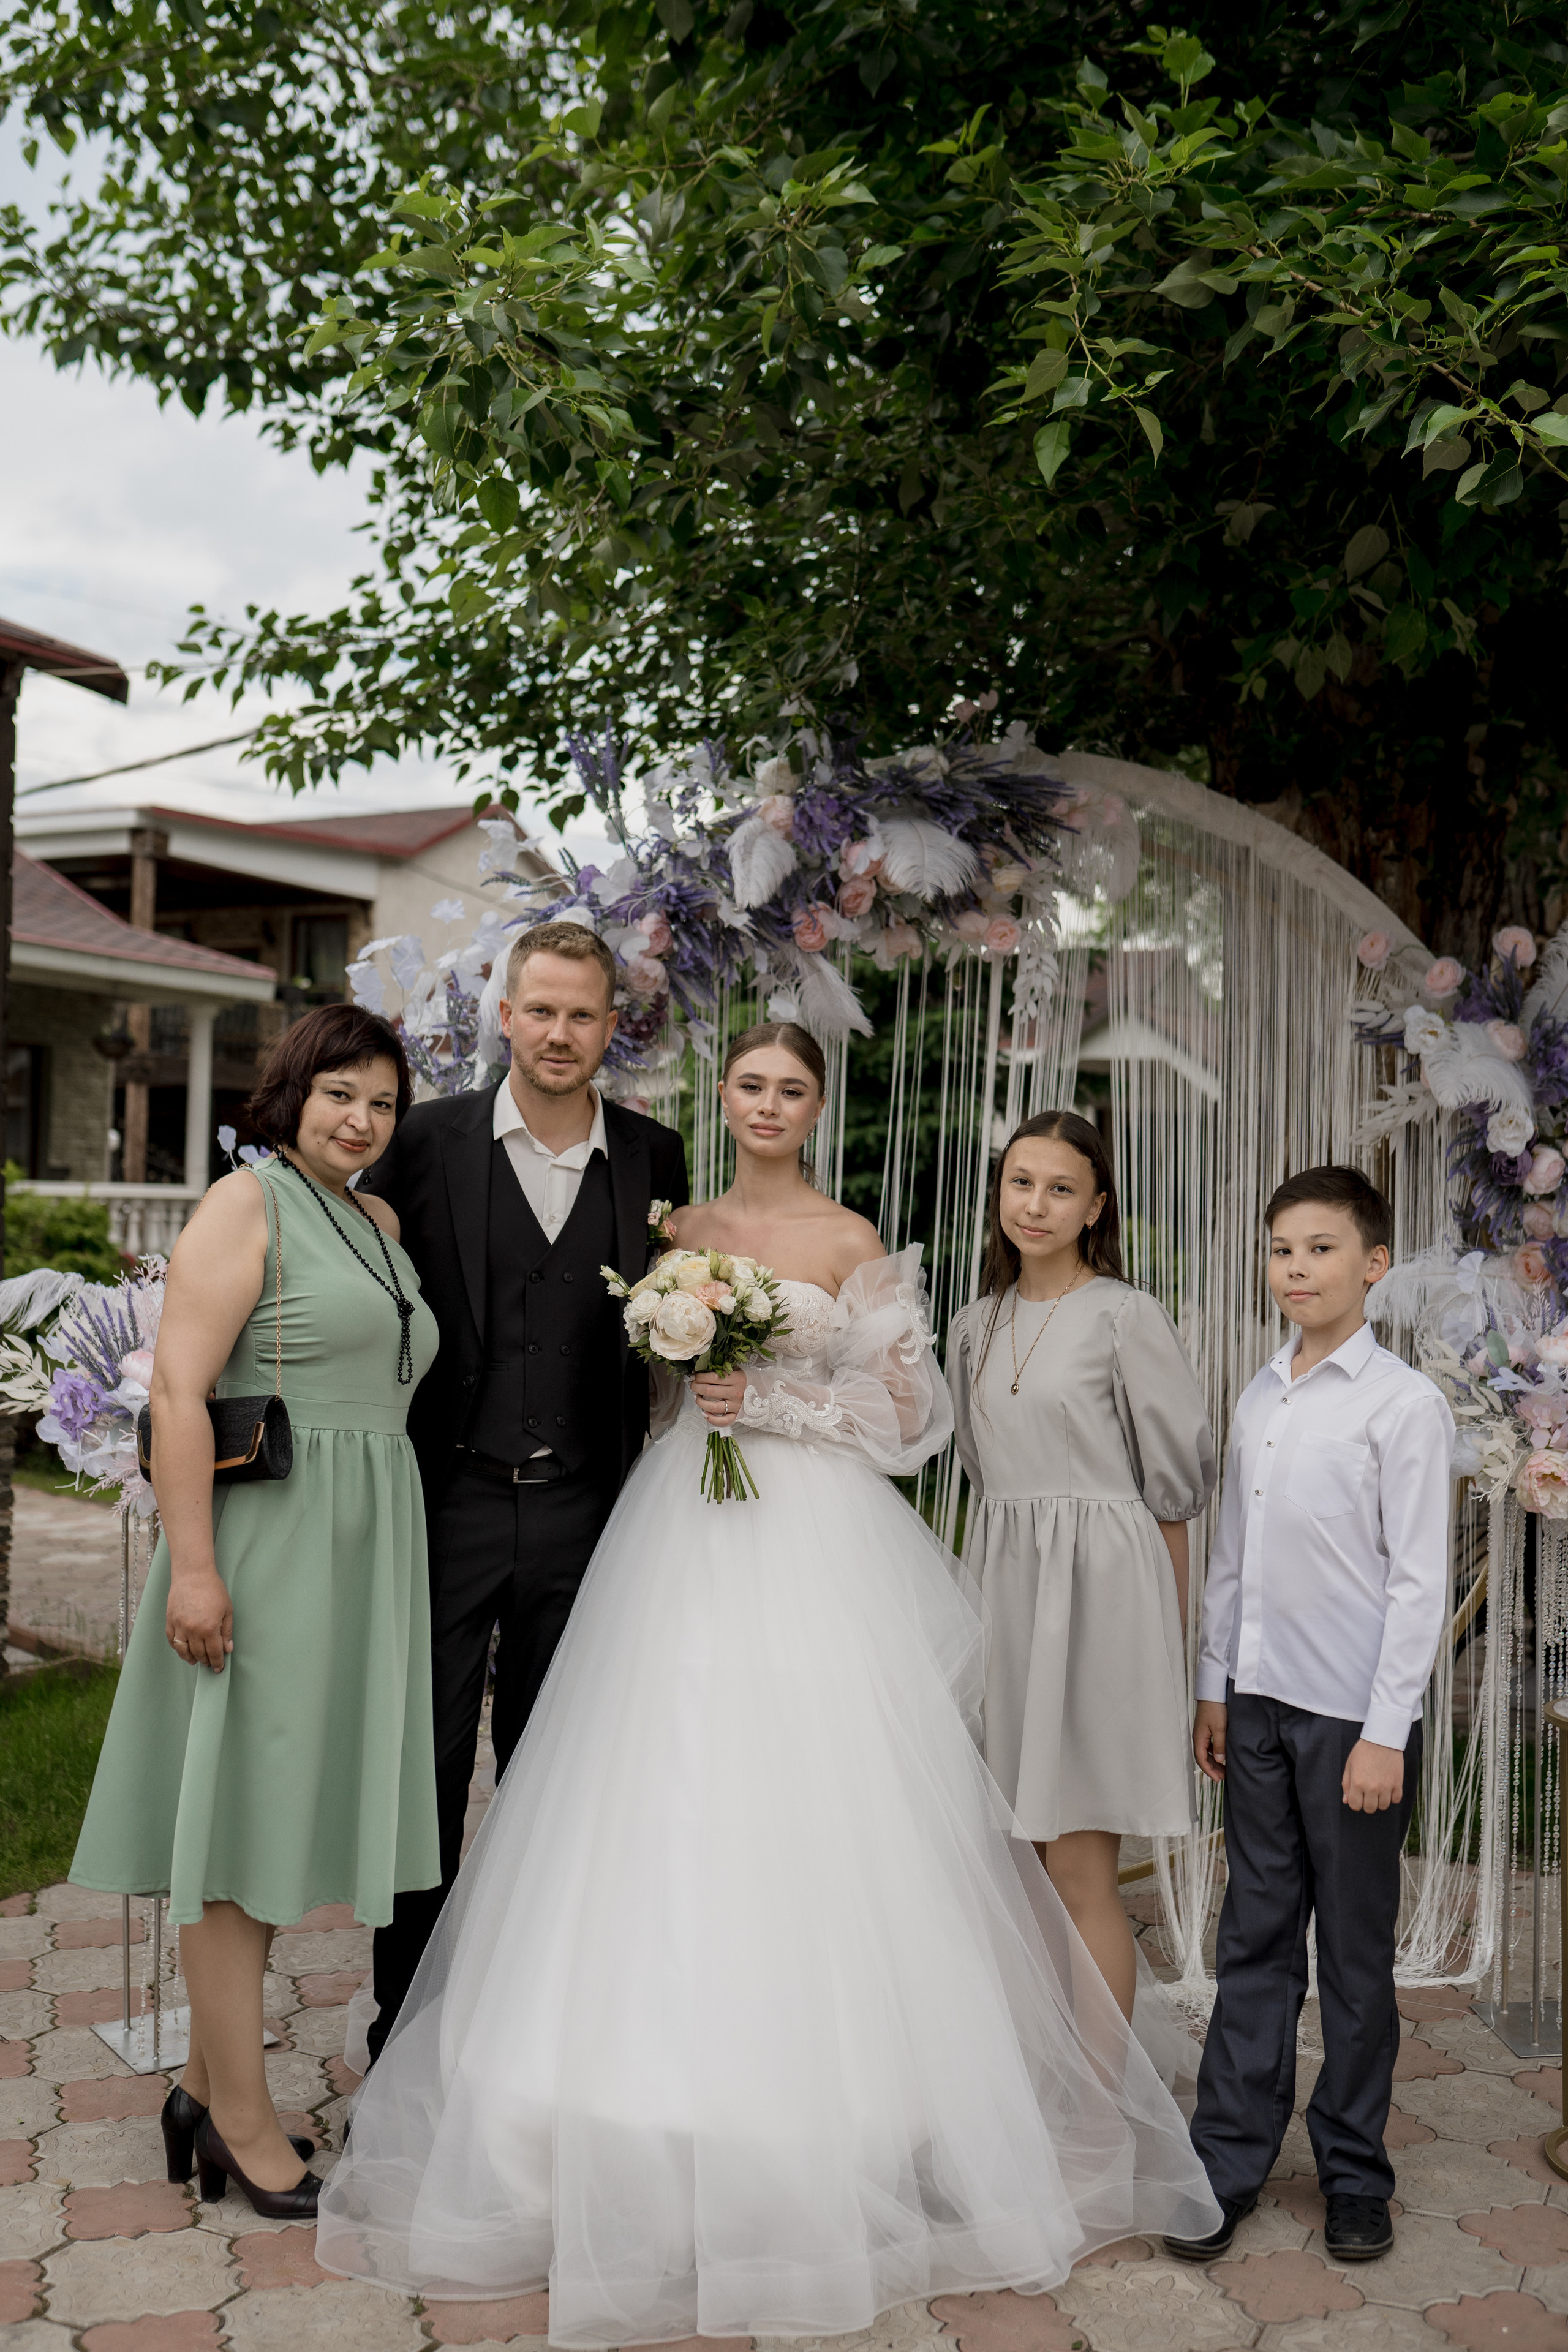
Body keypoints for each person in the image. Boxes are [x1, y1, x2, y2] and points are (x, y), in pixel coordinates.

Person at [316, 1020, 1221, 2340]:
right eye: (750, 1084)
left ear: (813, 1104)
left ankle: (873, 2102)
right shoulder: (670, 1222)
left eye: (793, 1089)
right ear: (721, 1097)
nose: (770, 1104)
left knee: (824, 1799)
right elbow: (657, 1399)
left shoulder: (853, 1242)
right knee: (657, 1786)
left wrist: (774, 1405)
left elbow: (913, 1424)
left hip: (814, 1535)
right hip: (679, 1526)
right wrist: (701, 1389)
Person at [69, 1005, 441, 2220]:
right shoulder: (249, 1201)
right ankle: (239, 2121)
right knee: (241, 1832)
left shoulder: (379, 1219)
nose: (361, 1120)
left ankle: (194, 2086)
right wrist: (193, 1568)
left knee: (279, 1821)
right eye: (340, 1093)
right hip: (271, 1544)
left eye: (382, 1102)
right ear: (291, 1093)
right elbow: (180, 1390)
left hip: (365, 1542)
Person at [355, 919, 688, 2064]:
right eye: (539, 1010)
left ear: (612, 1027)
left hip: (587, 1513)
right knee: (428, 1776)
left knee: (558, 1777)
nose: (559, 1033)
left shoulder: (655, 1156)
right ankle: (405, 2034)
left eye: (582, 1014)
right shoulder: (428, 1141)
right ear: (505, 1014)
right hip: (445, 1503)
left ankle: (537, 2042)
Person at [1165, 1164, 1455, 2267]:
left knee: (1354, 1956)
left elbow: (1417, 1582)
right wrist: (1214, 1688)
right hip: (1260, 1703)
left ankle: (1352, 2171)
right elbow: (1234, 1560)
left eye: (1323, 1248)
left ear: (1373, 1265)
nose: (1297, 1268)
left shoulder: (1403, 1406)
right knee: (1255, 1935)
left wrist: (1388, 1731)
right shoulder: (1260, 1391)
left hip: (1353, 1723)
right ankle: (1227, 2161)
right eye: (1283, 1249)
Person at [948, 1110, 1216, 2022]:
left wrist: (1172, 1657)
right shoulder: (972, 1327)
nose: (1037, 1204)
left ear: (1096, 1206)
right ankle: (1039, 2085)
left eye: (1062, 1188)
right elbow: (989, 1479)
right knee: (1013, 1862)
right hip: (1007, 1598)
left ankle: (1103, 2116)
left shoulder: (1125, 1317)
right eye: (1021, 1183)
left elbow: (1173, 1497)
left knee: (1079, 1866)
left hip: (1105, 1606)